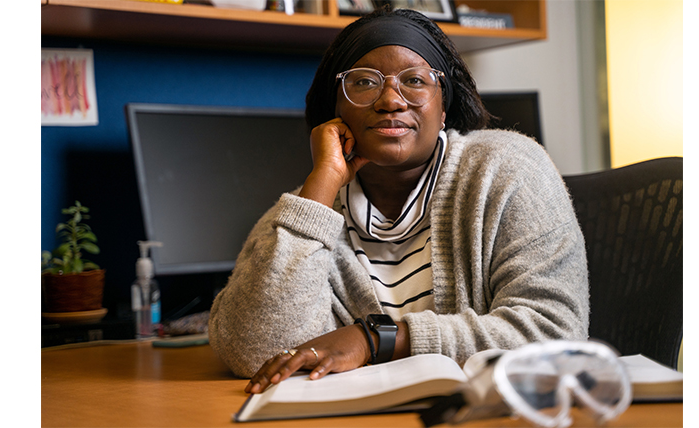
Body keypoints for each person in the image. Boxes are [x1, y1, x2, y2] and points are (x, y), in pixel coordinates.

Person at [208, 7, 589, 394]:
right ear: (335, 110)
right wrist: (320, 186)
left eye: (415, 80)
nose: (391, 100)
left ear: (443, 107)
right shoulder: (309, 210)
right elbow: (254, 352)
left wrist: (374, 340)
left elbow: (556, 334)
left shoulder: (508, 169)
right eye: (363, 83)